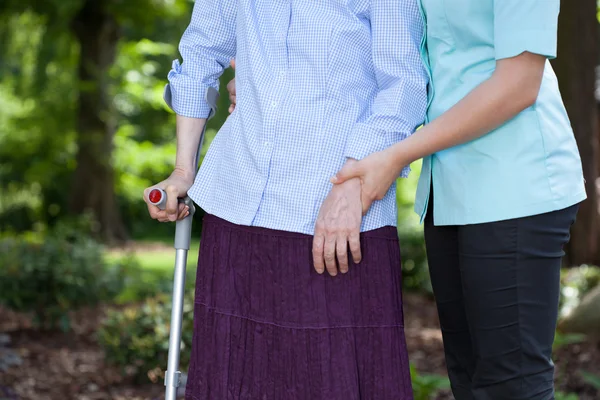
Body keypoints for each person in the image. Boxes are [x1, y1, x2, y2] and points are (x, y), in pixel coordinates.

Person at [143, 0, 428, 398]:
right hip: (237, 202)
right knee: (233, 379)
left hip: (334, 209)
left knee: (333, 379)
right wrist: (183, 169)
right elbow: (201, 55)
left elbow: (404, 86)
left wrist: (352, 184)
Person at [326, 1, 586, 399]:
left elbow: (519, 83)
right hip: (448, 189)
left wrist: (398, 154)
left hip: (516, 184)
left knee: (511, 384)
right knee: (468, 378)